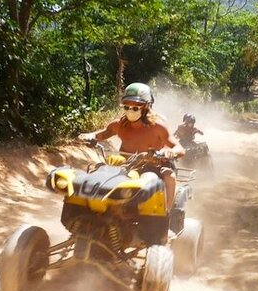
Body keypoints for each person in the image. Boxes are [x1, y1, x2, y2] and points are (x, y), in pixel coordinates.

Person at [79, 82, 184, 210]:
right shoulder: (119, 124)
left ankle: (166, 213)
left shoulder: (158, 126)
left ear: (146, 106)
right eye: (127, 106)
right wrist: (87, 136)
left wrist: (170, 152)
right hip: (123, 165)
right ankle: (88, 208)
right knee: (96, 171)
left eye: (136, 107)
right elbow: (101, 134)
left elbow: (179, 148)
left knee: (169, 176)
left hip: (151, 166)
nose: (130, 109)